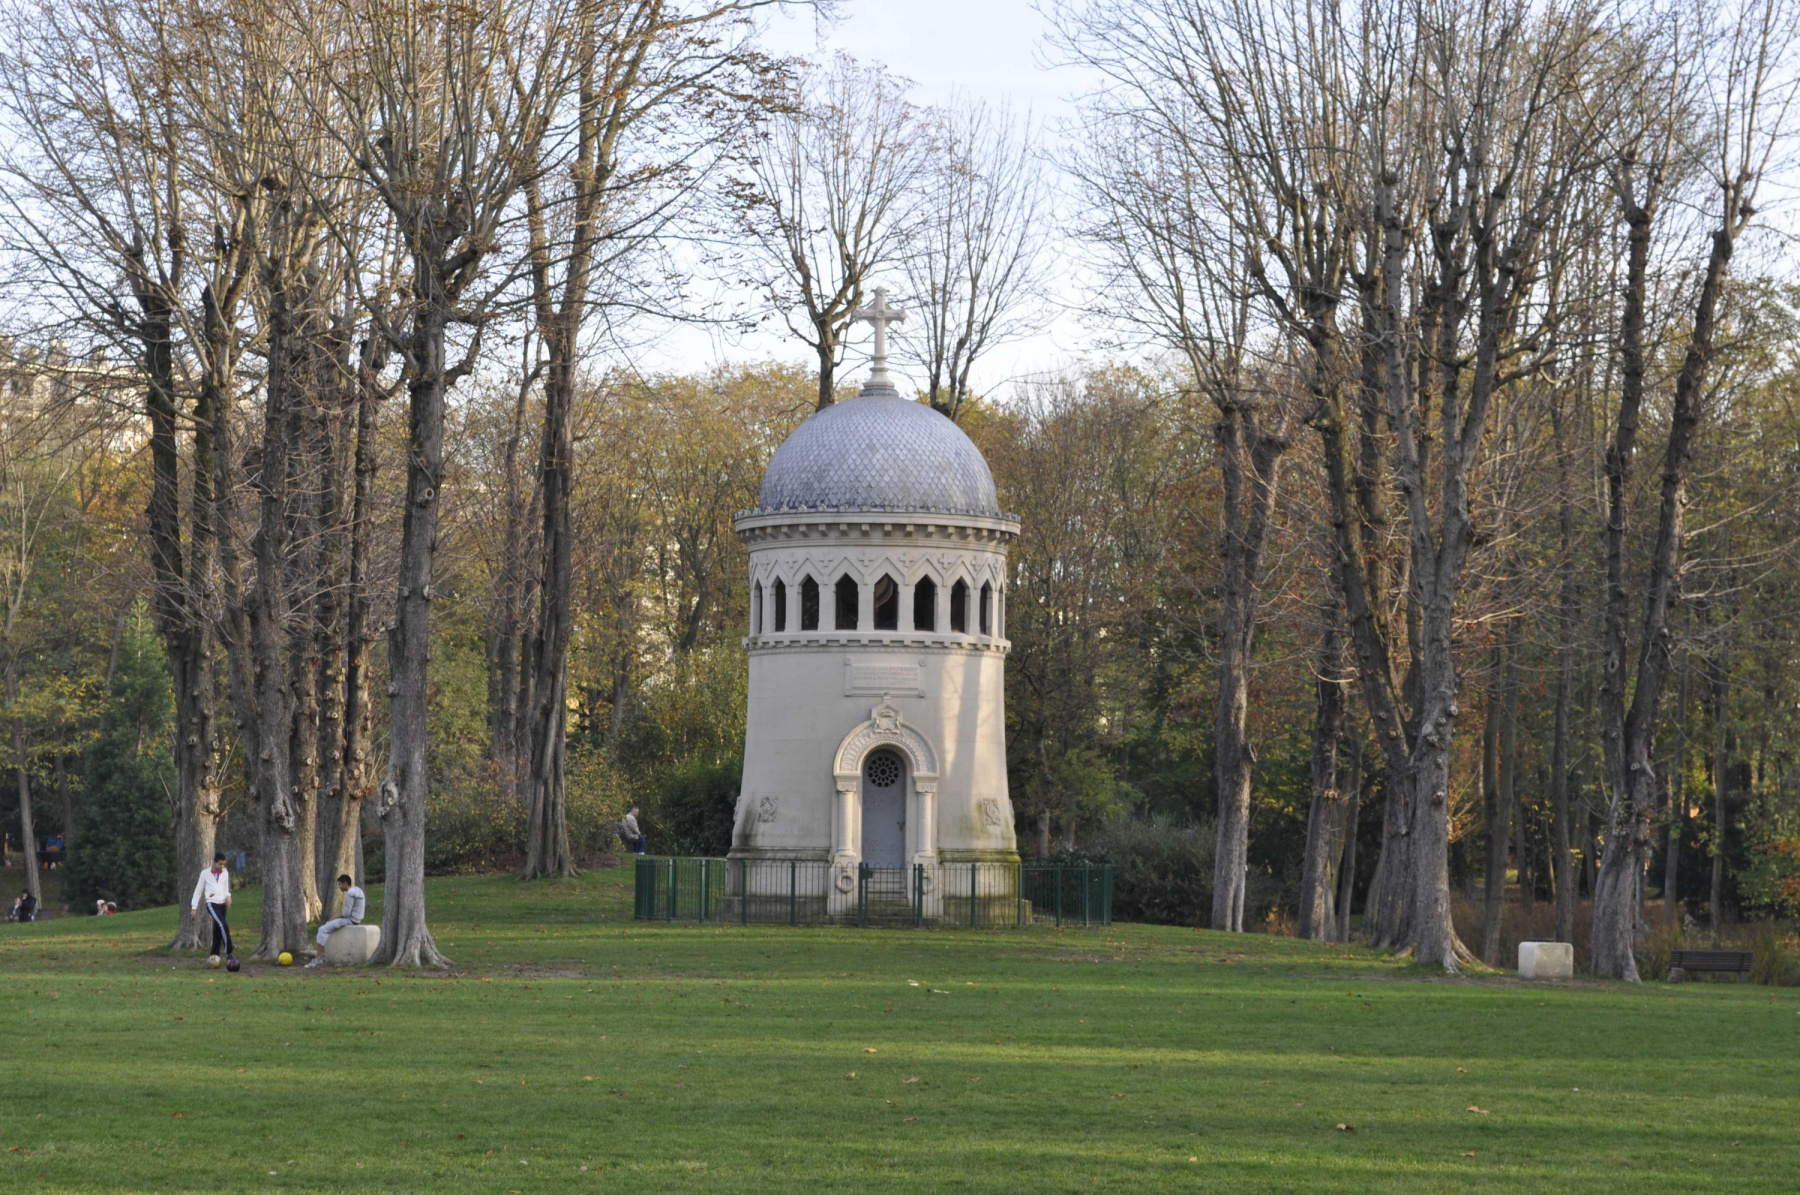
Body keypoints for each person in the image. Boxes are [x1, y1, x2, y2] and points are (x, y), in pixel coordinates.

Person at [307, 874, 366, 967]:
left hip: (350, 920)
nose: (339, 887)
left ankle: (318, 958)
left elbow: (346, 914)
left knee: (322, 929)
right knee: (327, 925)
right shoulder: (358, 890)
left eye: (340, 884)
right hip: (357, 919)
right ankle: (323, 954)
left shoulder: (350, 893)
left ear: (345, 883)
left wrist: (335, 917)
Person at [189, 852, 233, 959]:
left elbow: (225, 888)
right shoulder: (204, 873)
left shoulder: (225, 873)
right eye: (220, 864)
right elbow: (198, 891)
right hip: (212, 904)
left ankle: (214, 954)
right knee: (223, 925)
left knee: (217, 928)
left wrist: (228, 896)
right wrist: (194, 907)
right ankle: (229, 952)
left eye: (223, 864)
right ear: (214, 862)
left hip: (222, 903)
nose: (222, 867)